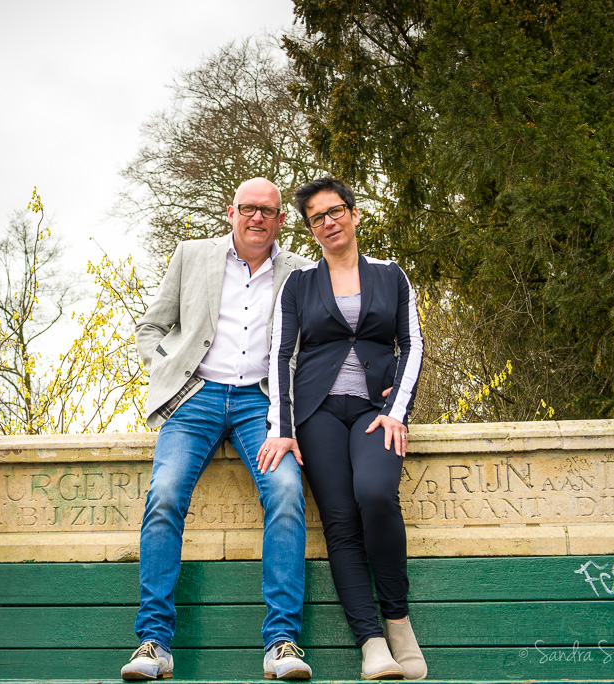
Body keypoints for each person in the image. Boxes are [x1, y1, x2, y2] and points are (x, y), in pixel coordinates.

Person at [122, 178, 312, 681]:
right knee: (163, 493)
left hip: (262, 404)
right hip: (196, 396)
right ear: (231, 212)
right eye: (248, 209)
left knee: (288, 492)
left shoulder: (300, 272)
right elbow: (151, 328)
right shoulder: (192, 256)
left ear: (280, 220)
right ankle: (154, 642)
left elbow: (318, 344)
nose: (258, 219)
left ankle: (282, 643)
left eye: (268, 211)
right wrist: (170, 369)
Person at [258, 177, 426, 680]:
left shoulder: (391, 275)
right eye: (317, 218)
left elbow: (412, 345)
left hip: (375, 413)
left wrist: (397, 411)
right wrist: (282, 427)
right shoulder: (300, 284)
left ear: (354, 214)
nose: (328, 222)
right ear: (310, 230)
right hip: (318, 414)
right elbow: (282, 355)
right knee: (339, 521)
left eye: (335, 212)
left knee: (375, 494)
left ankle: (397, 621)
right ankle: (371, 643)